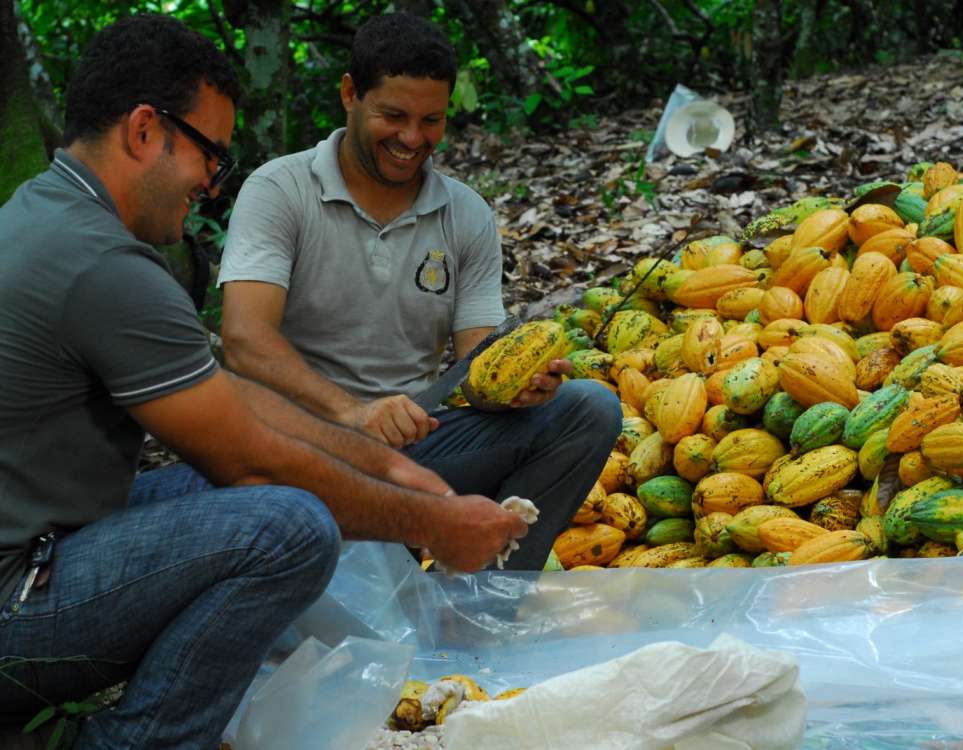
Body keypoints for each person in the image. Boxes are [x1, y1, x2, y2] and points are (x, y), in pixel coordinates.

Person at [0, 14, 530, 749]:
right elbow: (248, 458)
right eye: (210, 155)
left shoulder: (46, 210)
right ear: (146, 131)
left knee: (250, 491)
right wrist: (432, 523)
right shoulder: (104, 266)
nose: (210, 185)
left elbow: (226, 395)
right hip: (18, 597)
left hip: (45, 546)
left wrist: (381, 464)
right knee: (290, 527)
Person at [219, 13, 622, 569]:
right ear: (349, 94)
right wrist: (352, 414)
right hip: (298, 446)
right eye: (393, 116)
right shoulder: (280, 190)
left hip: (417, 444)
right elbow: (244, 340)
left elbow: (477, 369)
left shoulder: (465, 214)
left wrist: (516, 387)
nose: (412, 139)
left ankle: (486, 599)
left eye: (431, 120)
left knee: (589, 408)